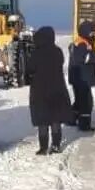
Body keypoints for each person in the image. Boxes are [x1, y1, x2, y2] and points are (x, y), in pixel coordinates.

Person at [26, 26, 71, 155]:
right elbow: (61, 62)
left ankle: (43, 147)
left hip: (39, 91)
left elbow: (30, 69)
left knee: (42, 121)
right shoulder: (57, 51)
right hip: (57, 89)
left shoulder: (36, 53)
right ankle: (56, 145)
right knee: (55, 119)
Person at [69, 20, 95, 132]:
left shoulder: (80, 42)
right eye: (93, 33)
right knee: (86, 102)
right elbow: (83, 58)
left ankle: (71, 119)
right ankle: (84, 125)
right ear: (87, 31)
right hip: (82, 78)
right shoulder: (83, 44)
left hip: (78, 78)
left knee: (79, 101)